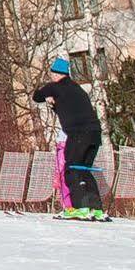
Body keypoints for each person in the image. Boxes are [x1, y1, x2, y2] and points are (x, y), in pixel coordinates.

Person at [34, 58, 108, 222]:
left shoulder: (55, 87)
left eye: (52, 73)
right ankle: (96, 210)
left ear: (55, 73)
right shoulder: (78, 88)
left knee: (71, 169)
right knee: (84, 170)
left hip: (78, 134)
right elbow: (71, 108)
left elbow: (36, 96)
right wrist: (55, 104)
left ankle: (79, 208)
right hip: (95, 134)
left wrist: (48, 97)